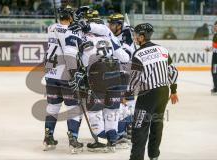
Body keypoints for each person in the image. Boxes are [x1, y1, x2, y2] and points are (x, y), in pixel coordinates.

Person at [68, 14, 130, 152]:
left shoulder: (82, 36)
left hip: (97, 77)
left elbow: (76, 58)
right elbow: (125, 57)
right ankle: (112, 140)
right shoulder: (110, 37)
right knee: (112, 110)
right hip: (115, 76)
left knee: (94, 110)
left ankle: (101, 140)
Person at [129, 23, 179, 160]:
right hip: (163, 93)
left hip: (148, 94)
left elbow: (134, 78)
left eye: (136, 35)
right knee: (157, 124)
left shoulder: (138, 53)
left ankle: (136, 158)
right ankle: (154, 156)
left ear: (142, 36)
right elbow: (173, 71)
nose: (134, 37)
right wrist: (173, 90)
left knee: (140, 127)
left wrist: (127, 94)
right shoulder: (162, 49)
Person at [43, 5, 84, 154]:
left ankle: (48, 137)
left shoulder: (52, 28)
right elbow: (69, 55)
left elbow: (59, 28)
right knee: (74, 108)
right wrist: (75, 75)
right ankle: (73, 139)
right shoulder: (71, 33)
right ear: (71, 18)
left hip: (50, 74)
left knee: (53, 106)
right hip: (65, 75)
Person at [107, 13, 136, 144]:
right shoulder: (113, 33)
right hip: (118, 72)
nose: (110, 26)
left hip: (127, 72)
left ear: (119, 25)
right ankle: (124, 130)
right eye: (109, 23)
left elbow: (126, 55)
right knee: (120, 102)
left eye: (112, 24)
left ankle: (126, 130)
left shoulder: (127, 34)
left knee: (127, 101)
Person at [211, 21, 217, 94]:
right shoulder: (215, 35)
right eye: (215, 26)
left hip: (216, 57)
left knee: (215, 71)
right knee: (214, 71)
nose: (215, 27)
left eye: (216, 26)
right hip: (215, 55)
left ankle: (216, 88)